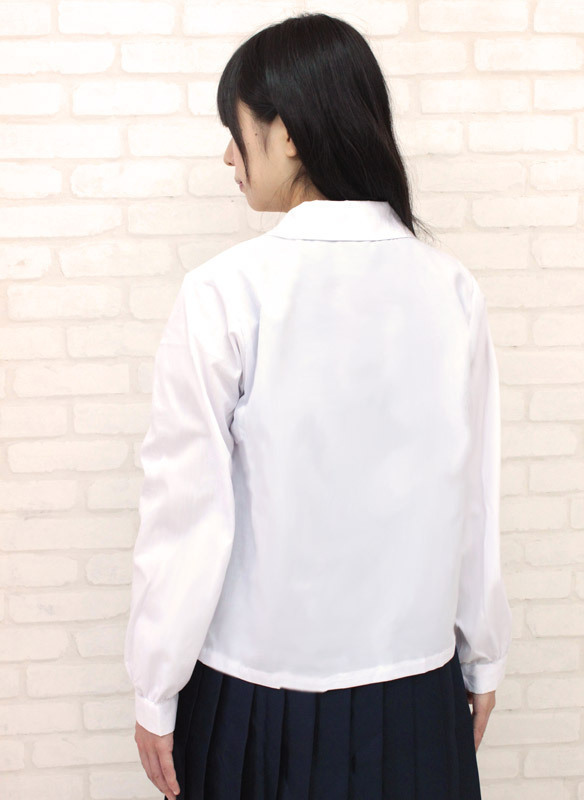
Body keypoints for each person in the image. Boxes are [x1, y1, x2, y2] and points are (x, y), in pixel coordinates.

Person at [124, 12, 512, 800]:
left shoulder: (224, 294)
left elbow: (186, 514)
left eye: (236, 129)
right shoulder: (452, 291)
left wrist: (155, 688)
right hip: (417, 694)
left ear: (290, 134)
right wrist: (484, 657)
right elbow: (475, 497)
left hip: (255, 698)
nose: (228, 155)